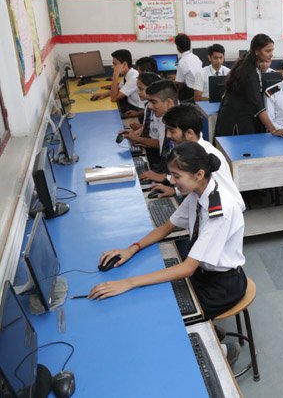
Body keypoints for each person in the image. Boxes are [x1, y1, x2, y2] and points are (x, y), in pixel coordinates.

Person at [89, 142, 247, 362]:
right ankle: (208, 328)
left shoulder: (219, 210)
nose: (171, 181)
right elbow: (167, 226)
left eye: (176, 176)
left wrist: (129, 282)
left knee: (165, 317)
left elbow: (187, 268)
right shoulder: (198, 193)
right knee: (162, 299)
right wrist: (132, 249)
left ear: (199, 174)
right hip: (202, 273)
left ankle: (224, 351)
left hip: (223, 285)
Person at [149, 104, 241, 200]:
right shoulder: (186, 150)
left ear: (189, 133)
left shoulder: (208, 155)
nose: (168, 135)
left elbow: (227, 194)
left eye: (172, 131)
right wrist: (175, 190)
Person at [214, 33, 283, 137]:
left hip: (242, 114)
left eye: (272, 50)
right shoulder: (249, 72)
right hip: (236, 118)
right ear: (256, 51)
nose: (271, 54)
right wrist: (273, 130)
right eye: (268, 51)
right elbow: (258, 106)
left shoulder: (250, 60)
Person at [125, 80, 178, 177]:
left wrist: (165, 178)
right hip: (165, 172)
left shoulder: (181, 128)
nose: (149, 106)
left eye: (153, 102)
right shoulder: (164, 119)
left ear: (169, 103)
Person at [90, 49, 145, 116]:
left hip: (136, 109)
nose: (112, 67)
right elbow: (119, 88)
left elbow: (114, 98)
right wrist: (104, 94)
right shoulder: (129, 73)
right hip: (129, 105)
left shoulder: (134, 77)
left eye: (115, 64)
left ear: (124, 65)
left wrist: (115, 74)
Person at [174, 33, 202, 103]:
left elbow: (179, 85)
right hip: (200, 90)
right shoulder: (196, 57)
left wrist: (171, 83)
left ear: (178, 47)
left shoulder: (182, 62)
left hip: (190, 94)